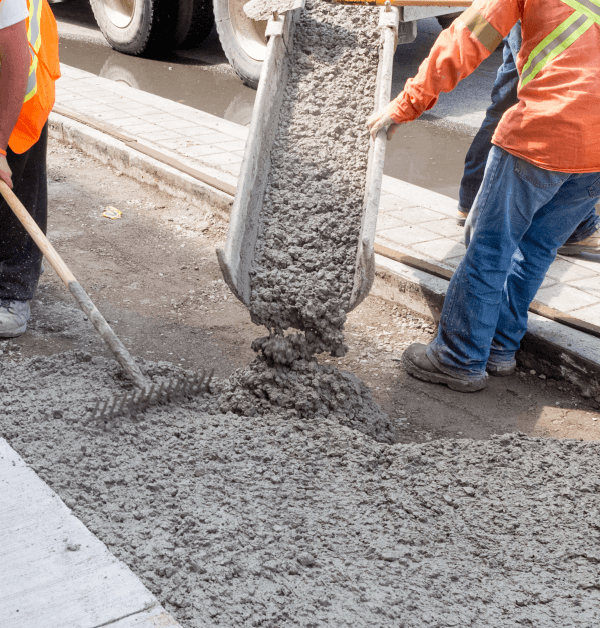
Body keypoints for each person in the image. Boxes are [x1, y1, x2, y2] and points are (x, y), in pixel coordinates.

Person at [367, 0, 600, 392]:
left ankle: (458, 357)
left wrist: (406, 105)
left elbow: (468, 38)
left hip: (542, 135)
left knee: (490, 248)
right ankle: (499, 346)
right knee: (537, 249)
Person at [457, 22, 600, 255]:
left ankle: (470, 198)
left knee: (509, 99)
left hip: (535, 15)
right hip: (546, 14)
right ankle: (577, 228)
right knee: (552, 94)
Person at [0, 0, 60, 338]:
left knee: (16, 181)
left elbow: (15, 60)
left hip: (22, 78)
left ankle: (13, 291)